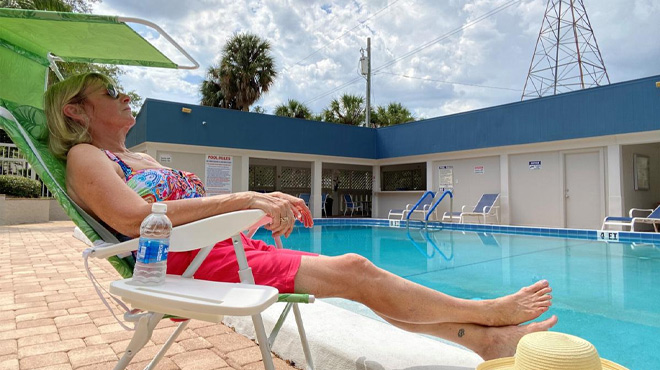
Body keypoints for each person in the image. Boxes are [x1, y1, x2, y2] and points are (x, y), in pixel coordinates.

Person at [44, 73, 557, 361]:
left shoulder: (146, 159)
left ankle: (484, 340)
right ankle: (486, 313)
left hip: (223, 252)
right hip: (184, 267)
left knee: (360, 281)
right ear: (74, 111)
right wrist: (240, 201)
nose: (124, 94)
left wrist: (260, 209)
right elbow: (138, 220)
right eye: (109, 91)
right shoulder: (88, 158)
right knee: (356, 269)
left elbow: (188, 214)